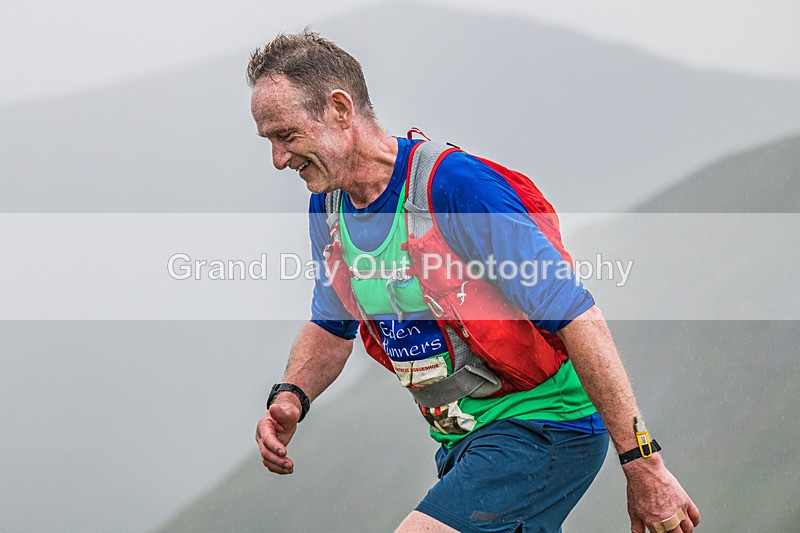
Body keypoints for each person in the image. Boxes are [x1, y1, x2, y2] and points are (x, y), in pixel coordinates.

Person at [249, 29, 700, 533]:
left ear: (339, 108)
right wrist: (291, 396)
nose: (278, 159)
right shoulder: (329, 207)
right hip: (462, 440)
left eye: (285, 136)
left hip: (545, 424)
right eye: (269, 141)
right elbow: (332, 323)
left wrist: (643, 464)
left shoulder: (457, 188)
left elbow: (577, 315)